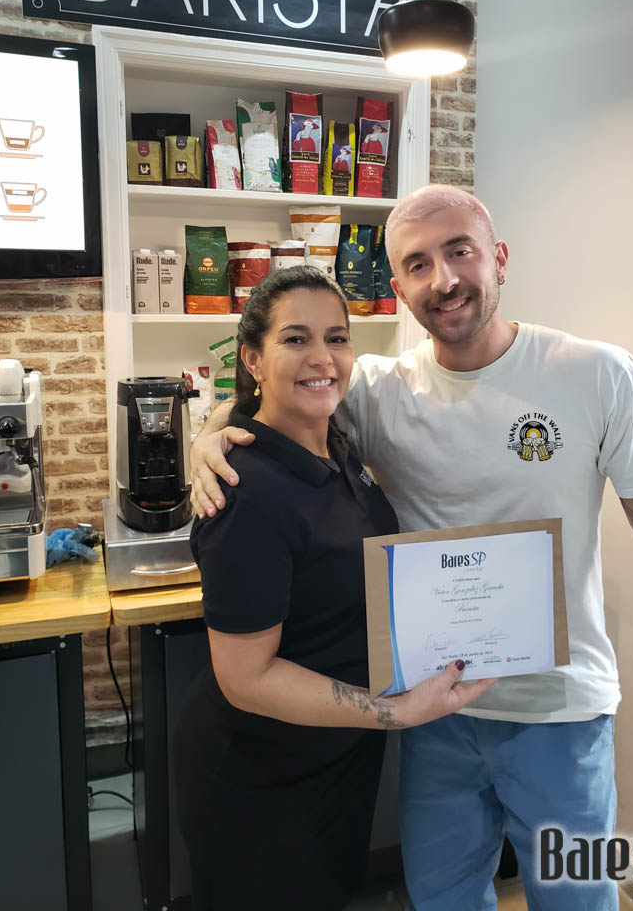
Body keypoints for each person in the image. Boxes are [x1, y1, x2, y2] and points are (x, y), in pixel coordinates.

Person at [189, 187, 633, 911]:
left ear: (498, 258)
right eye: (418, 264)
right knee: (442, 899)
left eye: (459, 251)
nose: (443, 279)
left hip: (559, 715)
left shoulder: (597, 375)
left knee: (576, 900)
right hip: (435, 714)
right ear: (398, 288)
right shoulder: (377, 390)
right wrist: (208, 437)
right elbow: (280, 398)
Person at [173, 264, 495, 911]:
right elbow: (246, 678)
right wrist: (397, 711)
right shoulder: (246, 493)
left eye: (337, 338)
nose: (322, 357)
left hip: (336, 759)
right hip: (261, 776)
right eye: (295, 339)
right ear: (253, 359)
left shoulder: (339, 449)